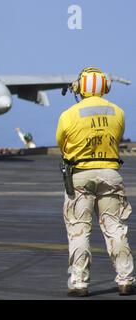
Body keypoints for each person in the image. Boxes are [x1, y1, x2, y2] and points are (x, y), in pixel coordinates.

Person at [56, 67, 134, 297]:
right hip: (110, 173)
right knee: (115, 228)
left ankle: (79, 283)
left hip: (80, 175)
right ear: (104, 87)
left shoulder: (69, 114)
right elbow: (118, 137)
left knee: (79, 230)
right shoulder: (118, 112)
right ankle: (126, 279)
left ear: (80, 88)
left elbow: (61, 142)